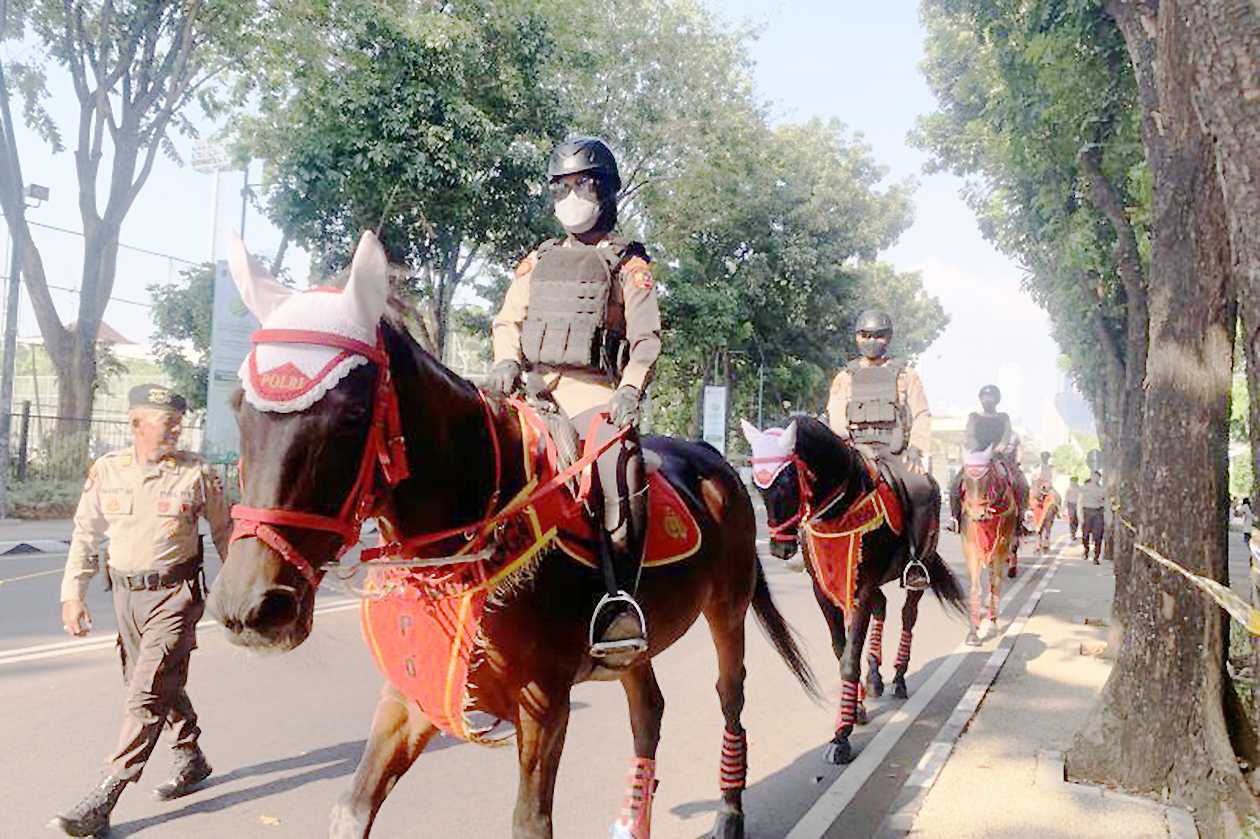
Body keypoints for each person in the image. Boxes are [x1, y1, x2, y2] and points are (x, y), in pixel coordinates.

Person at [486, 137, 660, 666]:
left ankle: (617, 597)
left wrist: (631, 388)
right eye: (561, 187)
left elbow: (647, 337)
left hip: (595, 394)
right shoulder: (535, 261)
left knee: (616, 465)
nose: (570, 196)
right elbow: (508, 320)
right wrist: (504, 360)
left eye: (581, 185)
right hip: (533, 392)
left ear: (605, 191)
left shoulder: (628, 265)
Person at [52, 385, 232, 837]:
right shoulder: (108, 471)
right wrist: (72, 594)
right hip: (126, 596)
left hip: (176, 595)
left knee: (146, 692)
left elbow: (225, 530)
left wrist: (238, 593)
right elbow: (86, 534)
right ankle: (191, 756)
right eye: (166, 423)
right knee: (152, 680)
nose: (176, 431)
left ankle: (106, 794)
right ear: (136, 424)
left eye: (178, 423)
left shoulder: (198, 474)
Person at [826, 307, 937, 589]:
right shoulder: (845, 377)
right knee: (813, 484)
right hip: (855, 452)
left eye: (878, 335)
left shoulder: (906, 375)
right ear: (856, 337)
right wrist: (842, 444)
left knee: (921, 488)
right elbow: (836, 415)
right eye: (865, 335)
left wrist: (916, 448)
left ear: (888, 338)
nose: (871, 340)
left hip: (893, 451)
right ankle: (807, 548)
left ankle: (916, 559)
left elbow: (922, 414)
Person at [950, 385, 1029, 529]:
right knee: (956, 483)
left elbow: (1006, 436)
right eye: (985, 398)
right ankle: (955, 518)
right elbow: (969, 435)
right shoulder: (974, 417)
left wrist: (997, 450)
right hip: (977, 457)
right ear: (981, 400)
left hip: (998, 457)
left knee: (1021, 482)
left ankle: (1020, 519)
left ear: (996, 400)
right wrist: (976, 451)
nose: (988, 401)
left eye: (991, 398)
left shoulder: (1003, 418)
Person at [1079, 470, 1106, 564]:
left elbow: (1105, 502)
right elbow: (1080, 502)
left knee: (1098, 536)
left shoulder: (1102, 489)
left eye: (1098, 477)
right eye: (1094, 476)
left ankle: (1096, 557)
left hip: (1098, 512)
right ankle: (1086, 550)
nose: (1095, 478)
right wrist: (1080, 516)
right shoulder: (1084, 488)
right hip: (1087, 512)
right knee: (1085, 535)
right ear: (1091, 477)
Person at [1065, 476, 1081, 542]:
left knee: (1076, 520)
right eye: (1072, 481)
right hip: (1070, 505)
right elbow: (1066, 499)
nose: (1073, 482)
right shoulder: (1068, 489)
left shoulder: (1079, 489)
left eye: (1075, 481)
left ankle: (1074, 532)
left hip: (1078, 505)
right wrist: (1064, 508)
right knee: (1071, 519)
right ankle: (1072, 534)